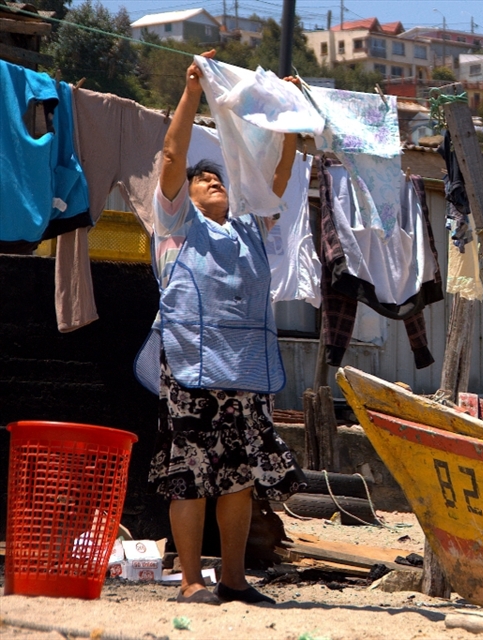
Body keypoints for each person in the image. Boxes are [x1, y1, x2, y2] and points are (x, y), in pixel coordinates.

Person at [142, 50, 306, 605]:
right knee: (189, 474)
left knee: (236, 476)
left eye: (218, 177)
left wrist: (288, 113)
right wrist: (191, 91)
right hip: (190, 369)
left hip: (243, 372)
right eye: (202, 179)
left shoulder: (250, 227)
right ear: (181, 197)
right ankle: (191, 582)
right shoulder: (176, 227)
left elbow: (278, 175)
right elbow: (172, 152)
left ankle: (233, 582)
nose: (212, 180)